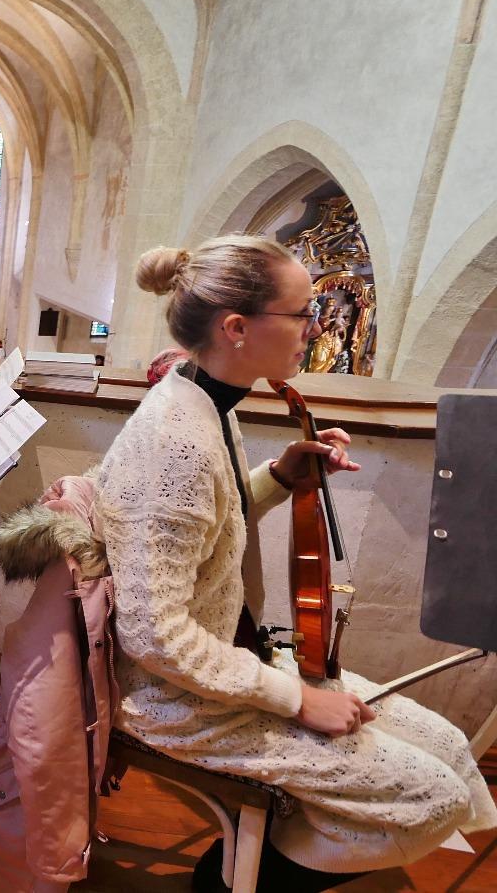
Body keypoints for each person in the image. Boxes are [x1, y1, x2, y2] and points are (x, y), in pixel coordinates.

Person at [106, 236, 495, 890]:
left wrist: (281, 476)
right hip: (174, 698)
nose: (316, 327)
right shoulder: (175, 440)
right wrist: (297, 700)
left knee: (452, 751)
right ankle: (228, 877)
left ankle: (254, 855)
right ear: (236, 328)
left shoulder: (206, 401)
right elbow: (152, 635)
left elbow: (209, 524)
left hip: (231, 662)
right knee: (430, 798)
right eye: (301, 312)